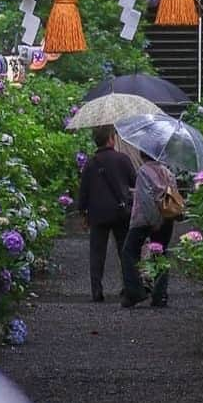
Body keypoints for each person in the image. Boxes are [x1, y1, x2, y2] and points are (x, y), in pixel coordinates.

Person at [77, 125, 136, 302]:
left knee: (97, 253)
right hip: (120, 212)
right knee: (124, 251)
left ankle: (96, 289)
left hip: (98, 213)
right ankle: (129, 286)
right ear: (111, 139)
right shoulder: (122, 159)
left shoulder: (91, 162)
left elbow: (84, 191)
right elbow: (134, 181)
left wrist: (83, 213)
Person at [121, 151, 178, 309]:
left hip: (144, 219)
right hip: (167, 218)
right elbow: (173, 195)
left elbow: (146, 198)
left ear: (142, 154)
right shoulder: (167, 171)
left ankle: (135, 292)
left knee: (128, 252)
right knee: (160, 253)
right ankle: (160, 296)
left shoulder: (143, 172)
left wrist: (154, 221)